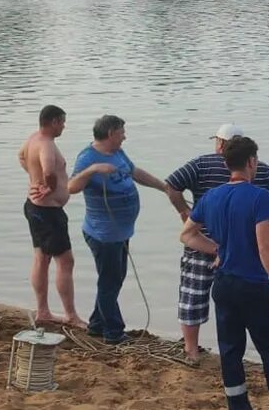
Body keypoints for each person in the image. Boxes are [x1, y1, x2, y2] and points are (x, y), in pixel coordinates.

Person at [179, 136, 269, 410]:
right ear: (252, 162)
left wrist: (217, 250)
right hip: (253, 285)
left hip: (224, 284)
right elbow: (265, 247)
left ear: (226, 162)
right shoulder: (260, 197)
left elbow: (186, 235)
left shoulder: (210, 197)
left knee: (230, 351)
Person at [164, 123, 269, 364]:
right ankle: (249, 355)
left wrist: (184, 213)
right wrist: (262, 214)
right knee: (244, 301)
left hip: (201, 239)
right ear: (249, 159)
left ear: (221, 145)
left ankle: (191, 349)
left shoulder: (200, 164)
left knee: (193, 295)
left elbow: (171, 185)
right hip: (243, 245)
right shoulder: (260, 169)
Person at [67, 115, 168, 345]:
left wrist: (164, 187)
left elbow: (135, 172)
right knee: (110, 281)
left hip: (121, 231)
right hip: (103, 233)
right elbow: (71, 187)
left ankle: (97, 324)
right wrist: (92, 170)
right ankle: (113, 332)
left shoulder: (118, 153)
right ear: (111, 133)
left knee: (113, 278)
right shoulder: (87, 157)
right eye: (122, 132)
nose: (125, 136)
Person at [18, 104, 87, 329]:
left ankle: (43, 310)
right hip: (47, 211)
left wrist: (32, 177)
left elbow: (21, 157)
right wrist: (48, 186)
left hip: (35, 207)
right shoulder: (46, 145)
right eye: (62, 122)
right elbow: (48, 170)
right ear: (54, 121)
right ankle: (70, 314)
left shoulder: (32, 139)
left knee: (41, 258)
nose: (64, 127)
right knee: (65, 261)